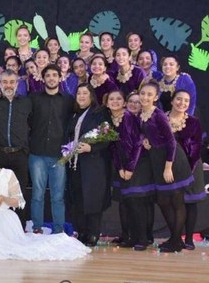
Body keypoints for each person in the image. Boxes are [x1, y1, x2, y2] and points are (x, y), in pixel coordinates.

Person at [0, 143, 90, 260]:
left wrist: (3, 198)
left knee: (14, 249)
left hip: (4, 221)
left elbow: (17, 201)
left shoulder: (7, 174)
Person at [139, 81, 193, 252]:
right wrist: (145, 141)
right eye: (143, 93)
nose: (145, 97)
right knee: (163, 201)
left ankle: (176, 241)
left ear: (156, 97)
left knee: (176, 201)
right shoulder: (142, 114)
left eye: (149, 94)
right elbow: (150, 134)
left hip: (173, 161)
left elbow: (171, 141)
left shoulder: (158, 114)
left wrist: (168, 166)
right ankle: (175, 238)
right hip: (157, 160)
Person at [0, 70, 32, 227]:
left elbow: (33, 124)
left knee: (19, 193)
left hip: (20, 155)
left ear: (17, 84)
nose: (8, 85)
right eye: (5, 82)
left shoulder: (27, 102)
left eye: (11, 82)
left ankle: (19, 227)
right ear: (0, 84)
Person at [29, 64, 74, 234]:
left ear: (60, 77)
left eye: (55, 75)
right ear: (43, 78)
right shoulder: (34, 99)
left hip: (59, 154)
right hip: (37, 153)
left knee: (57, 196)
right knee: (37, 194)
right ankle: (37, 228)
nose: (51, 78)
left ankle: (58, 230)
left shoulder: (68, 100)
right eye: (48, 75)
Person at [65, 84, 111, 246]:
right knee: (78, 199)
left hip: (93, 163)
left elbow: (107, 137)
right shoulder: (74, 115)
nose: (81, 96)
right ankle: (82, 231)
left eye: (85, 93)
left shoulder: (99, 113)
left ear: (91, 95)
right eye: (78, 93)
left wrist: (91, 147)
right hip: (75, 165)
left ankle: (93, 234)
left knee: (92, 199)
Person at [106, 90, 152, 250]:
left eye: (119, 98)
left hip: (137, 164)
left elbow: (137, 144)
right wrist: (119, 167)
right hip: (123, 167)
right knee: (125, 202)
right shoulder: (110, 121)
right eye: (112, 99)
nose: (115, 101)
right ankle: (129, 237)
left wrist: (130, 168)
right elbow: (113, 148)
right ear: (107, 103)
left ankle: (142, 239)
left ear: (124, 103)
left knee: (135, 202)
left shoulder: (128, 118)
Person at [168, 90, 206, 250]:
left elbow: (196, 147)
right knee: (172, 204)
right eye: (179, 99)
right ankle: (175, 237)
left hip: (191, 167)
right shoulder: (161, 118)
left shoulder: (193, 122)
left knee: (190, 203)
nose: (182, 103)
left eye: (186, 101)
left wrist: (186, 172)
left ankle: (189, 238)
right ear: (171, 101)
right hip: (168, 168)